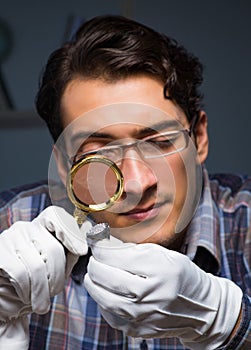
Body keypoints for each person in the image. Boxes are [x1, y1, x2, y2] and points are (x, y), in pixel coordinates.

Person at [0, 14, 250, 350]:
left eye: (160, 141)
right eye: (98, 154)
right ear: (63, 166)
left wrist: (233, 321)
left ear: (199, 138)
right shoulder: (8, 226)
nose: (134, 184)